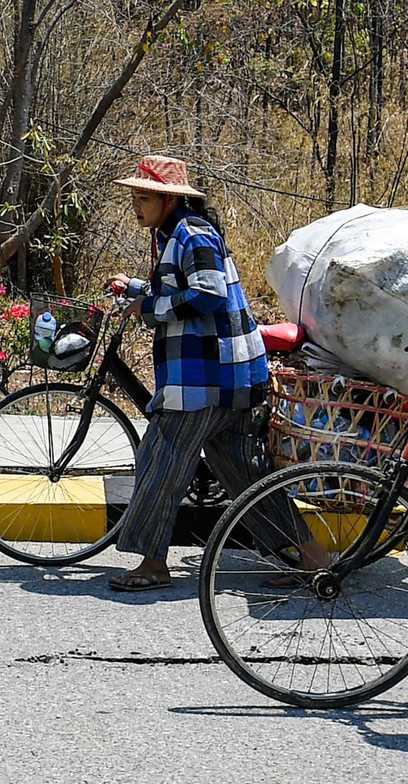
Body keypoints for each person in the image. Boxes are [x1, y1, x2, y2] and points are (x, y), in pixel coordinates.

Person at [100, 156, 277, 592]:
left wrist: (152, 308)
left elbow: (209, 295)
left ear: (169, 199)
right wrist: (138, 289)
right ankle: (309, 556)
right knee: (242, 474)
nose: (136, 207)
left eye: (143, 198)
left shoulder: (192, 234)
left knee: (160, 458)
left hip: (207, 377)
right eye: (135, 198)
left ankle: (153, 564)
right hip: (230, 375)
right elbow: (184, 289)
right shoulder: (175, 233)